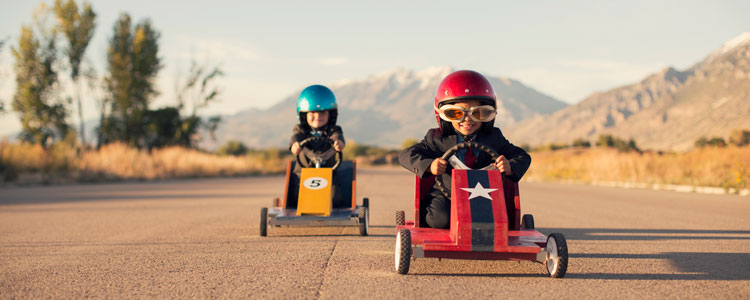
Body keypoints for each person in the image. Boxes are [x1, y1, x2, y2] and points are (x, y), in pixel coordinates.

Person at [398, 70, 531, 229]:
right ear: (443, 116)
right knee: (439, 220)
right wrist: (430, 165)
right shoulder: (436, 138)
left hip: (486, 196)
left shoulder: (494, 137)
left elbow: (523, 156)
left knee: (500, 223)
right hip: (447, 196)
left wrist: (509, 166)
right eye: (456, 113)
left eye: (478, 113)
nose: (467, 119)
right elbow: (405, 155)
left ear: (489, 115)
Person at [288, 84, 348, 208]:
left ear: (331, 115)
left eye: (322, 113)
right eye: (313, 113)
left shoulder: (333, 130)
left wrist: (339, 143)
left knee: (336, 198)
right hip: (303, 173)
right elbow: (295, 139)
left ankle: (329, 206)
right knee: (296, 197)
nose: (318, 117)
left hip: (329, 173)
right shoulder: (300, 129)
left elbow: (339, 137)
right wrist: (295, 146)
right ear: (304, 115)